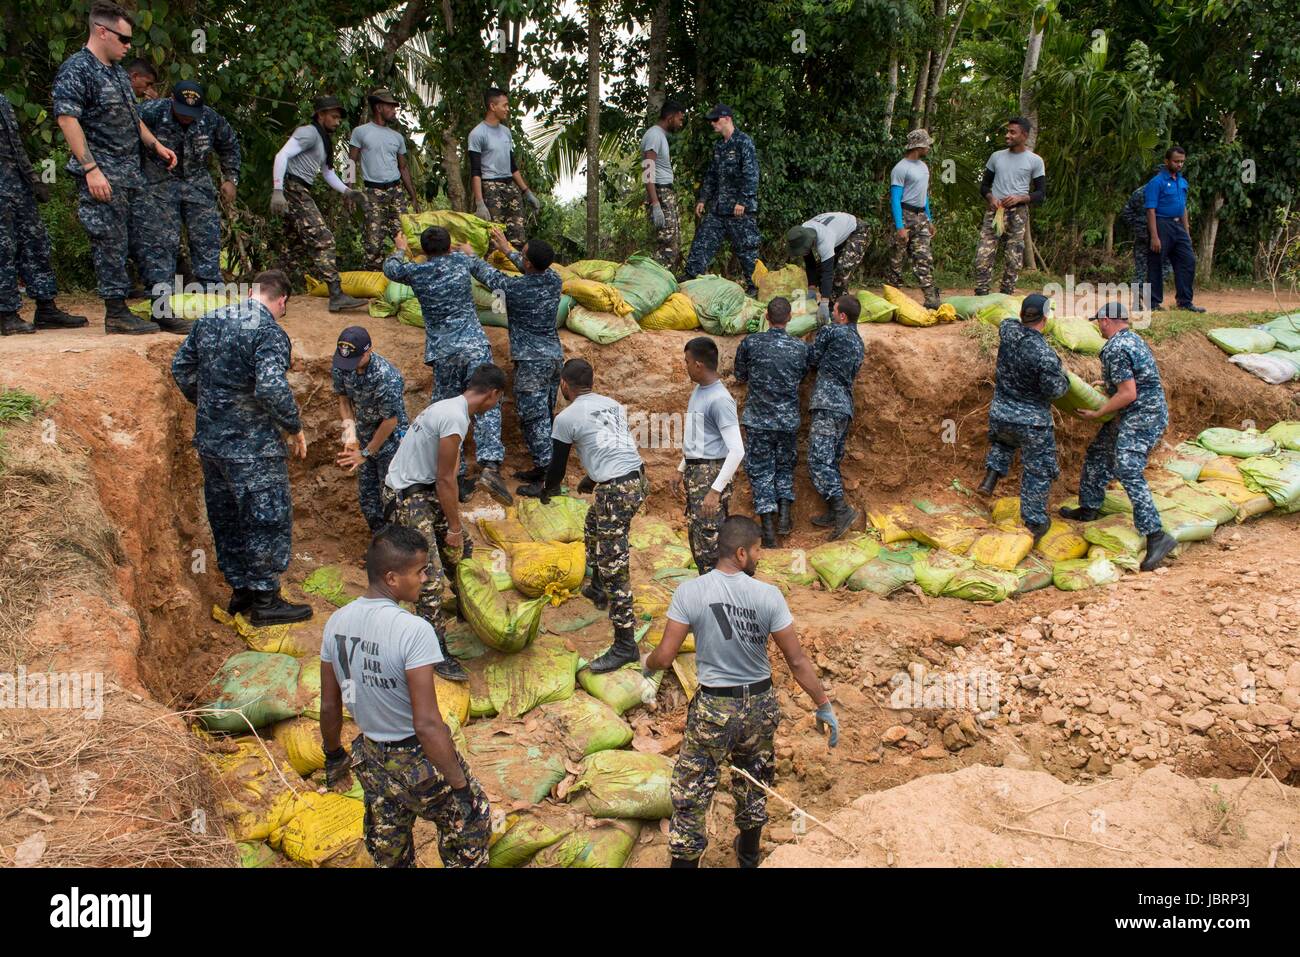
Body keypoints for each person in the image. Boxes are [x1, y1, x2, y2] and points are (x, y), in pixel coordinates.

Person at [643, 515, 839, 868]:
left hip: (714, 709)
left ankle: (685, 861)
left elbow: (666, 654)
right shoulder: (768, 595)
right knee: (754, 777)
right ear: (741, 553)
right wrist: (822, 703)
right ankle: (748, 856)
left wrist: (648, 664)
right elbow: (796, 662)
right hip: (760, 706)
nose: (760, 556)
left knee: (692, 790)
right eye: (758, 549)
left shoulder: (690, 591)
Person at [319, 525, 491, 868]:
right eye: (420, 571)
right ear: (392, 578)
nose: (427, 578)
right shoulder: (413, 631)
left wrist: (335, 756)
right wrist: (460, 788)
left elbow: (329, 704)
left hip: (371, 759)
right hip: (417, 761)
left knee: (390, 851)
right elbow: (427, 723)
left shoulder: (336, 622)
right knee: (471, 829)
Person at [170, 270, 313, 625]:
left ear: (251, 292)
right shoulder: (269, 332)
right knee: (266, 519)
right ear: (281, 301)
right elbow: (269, 387)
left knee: (227, 517)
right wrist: (293, 427)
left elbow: (181, 368)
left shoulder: (209, 320)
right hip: (254, 450)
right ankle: (265, 601)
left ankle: (241, 592)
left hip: (211, 445)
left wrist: (208, 406)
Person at [53, 1, 181, 335]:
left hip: (132, 175)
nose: (128, 46)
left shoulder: (116, 74)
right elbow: (67, 119)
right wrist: (90, 169)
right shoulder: (77, 69)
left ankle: (161, 309)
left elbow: (132, 118)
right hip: (104, 175)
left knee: (151, 240)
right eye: (123, 39)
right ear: (101, 31)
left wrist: (156, 145)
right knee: (110, 243)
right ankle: (116, 313)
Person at [382, 363, 508, 681]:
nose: (494, 406)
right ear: (492, 394)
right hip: (407, 497)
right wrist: (452, 527)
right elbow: (445, 479)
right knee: (430, 577)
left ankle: (468, 608)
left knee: (462, 549)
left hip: (422, 491)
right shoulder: (454, 417)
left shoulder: (449, 408)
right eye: (497, 401)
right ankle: (433, 650)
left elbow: (446, 477)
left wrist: (456, 532)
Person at [382, 226, 512, 506]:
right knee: (489, 402)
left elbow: (391, 269)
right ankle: (490, 467)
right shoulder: (462, 262)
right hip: (473, 345)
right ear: (450, 245)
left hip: (443, 352)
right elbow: (493, 278)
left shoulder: (415, 271)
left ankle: (459, 475)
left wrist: (400, 248)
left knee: (448, 410)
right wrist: (471, 255)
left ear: (424, 250)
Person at [538, 358, 648, 673]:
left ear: (564, 385)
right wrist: (592, 478)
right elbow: (611, 446)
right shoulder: (611, 404)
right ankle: (597, 586)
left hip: (616, 491)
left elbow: (557, 467)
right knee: (593, 524)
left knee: (615, 564)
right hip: (637, 479)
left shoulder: (566, 417)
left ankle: (626, 644)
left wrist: (547, 489)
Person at [1061, 302, 1178, 571]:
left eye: (1098, 322)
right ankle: (1089, 506)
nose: (1097, 326)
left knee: (1128, 469)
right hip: (1138, 411)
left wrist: (1099, 411)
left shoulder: (1114, 348)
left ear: (1106, 320)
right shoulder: (1132, 339)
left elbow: (1129, 393)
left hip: (1141, 416)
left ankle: (1156, 535)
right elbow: (1133, 379)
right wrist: (1108, 384)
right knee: (1099, 453)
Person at [465, 227, 564, 491]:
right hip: (553, 358)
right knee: (545, 416)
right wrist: (506, 249)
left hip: (532, 362)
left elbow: (489, 276)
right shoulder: (554, 280)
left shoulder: (516, 288)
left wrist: (470, 256)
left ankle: (547, 480)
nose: (520, 256)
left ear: (529, 263)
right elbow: (526, 268)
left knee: (534, 419)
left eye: (523, 255)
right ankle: (544, 467)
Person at [135, 80, 241, 300]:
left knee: (207, 236)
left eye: (192, 112)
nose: (187, 117)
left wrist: (230, 178)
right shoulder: (151, 112)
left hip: (196, 182)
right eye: (183, 111)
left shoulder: (210, 118)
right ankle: (160, 296)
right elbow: (126, 130)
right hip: (159, 183)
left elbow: (229, 145)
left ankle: (211, 292)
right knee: (160, 240)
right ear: (172, 100)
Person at [976, 294, 1069, 542]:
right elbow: (1056, 391)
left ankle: (991, 477)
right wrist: (1065, 378)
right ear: (1046, 319)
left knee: (1004, 442)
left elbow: (1006, 320)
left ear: (1022, 315)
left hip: (1000, 415)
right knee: (1038, 470)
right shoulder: (1044, 354)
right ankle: (1035, 521)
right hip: (1032, 423)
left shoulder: (1008, 331)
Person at [269, 95, 369, 311]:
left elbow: (327, 173)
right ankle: (336, 295)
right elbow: (281, 155)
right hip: (293, 188)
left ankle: (269, 292)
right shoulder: (309, 132)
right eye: (333, 117)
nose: (337, 121)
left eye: (338, 118)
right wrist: (278, 190)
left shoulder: (322, 139)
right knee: (324, 239)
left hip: (297, 188)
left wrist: (349, 192)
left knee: (291, 247)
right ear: (320, 115)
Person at [0, 92, 87, 336]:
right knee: (3, 250)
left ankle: (46, 307)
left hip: (17, 186)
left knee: (36, 244)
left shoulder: (3, 101)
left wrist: (33, 179)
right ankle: (6, 314)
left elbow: (15, 147)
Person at [733, 297, 808, 546]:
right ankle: (785, 517)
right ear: (789, 319)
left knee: (761, 471)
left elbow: (740, 375)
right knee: (785, 466)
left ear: (767, 317)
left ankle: (768, 532)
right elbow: (802, 376)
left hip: (759, 420)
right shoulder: (800, 348)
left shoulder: (751, 342)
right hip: (787, 421)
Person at [672, 337, 745, 574]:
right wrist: (681, 468)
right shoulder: (699, 391)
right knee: (700, 539)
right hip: (698, 472)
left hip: (710, 475)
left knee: (711, 542)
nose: (685, 366)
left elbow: (737, 450)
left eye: (687, 361)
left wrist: (715, 491)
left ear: (698, 365)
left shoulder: (720, 400)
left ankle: (722, 595)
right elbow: (699, 437)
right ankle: (711, 591)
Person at [333, 326, 409, 534]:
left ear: (368, 351)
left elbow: (390, 421)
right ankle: (379, 538)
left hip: (391, 440)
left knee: (392, 495)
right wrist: (350, 435)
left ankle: (397, 542)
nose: (348, 366)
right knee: (368, 495)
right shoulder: (343, 362)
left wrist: (366, 453)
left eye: (355, 360)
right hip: (365, 435)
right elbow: (344, 400)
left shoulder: (386, 377)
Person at [681, 104, 760, 296]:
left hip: (738, 209)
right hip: (718, 208)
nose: (712, 124)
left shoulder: (743, 142)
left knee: (747, 250)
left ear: (727, 119)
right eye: (711, 120)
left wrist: (743, 200)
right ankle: (689, 279)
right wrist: (703, 199)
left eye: (715, 120)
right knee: (703, 241)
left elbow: (751, 174)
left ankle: (755, 287)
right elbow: (712, 175)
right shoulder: (719, 146)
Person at [807, 294, 864, 540]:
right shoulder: (859, 342)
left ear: (842, 316)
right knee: (831, 461)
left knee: (819, 461)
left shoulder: (833, 332)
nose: (831, 314)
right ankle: (833, 511)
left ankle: (841, 510)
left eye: (834, 311)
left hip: (827, 404)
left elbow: (812, 359)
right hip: (844, 408)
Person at [973, 117, 1046, 296]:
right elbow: (984, 186)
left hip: (1018, 213)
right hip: (995, 211)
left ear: (1024, 135)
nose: (1007, 135)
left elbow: (1041, 193)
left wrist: (1020, 198)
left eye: (1012, 132)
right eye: (1007, 131)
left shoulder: (1035, 161)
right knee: (983, 255)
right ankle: (981, 294)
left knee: (1013, 258)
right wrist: (990, 198)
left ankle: (1006, 295)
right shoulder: (996, 157)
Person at [349, 89, 420, 270]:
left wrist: (413, 196)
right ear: (379, 107)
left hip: (395, 192)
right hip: (372, 193)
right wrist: (348, 192)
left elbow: (403, 167)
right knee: (373, 241)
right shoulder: (360, 132)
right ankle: (374, 281)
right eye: (391, 107)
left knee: (403, 236)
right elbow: (350, 162)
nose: (394, 111)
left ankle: (403, 276)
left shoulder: (397, 137)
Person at [468, 88, 541, 246]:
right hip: (491, 188)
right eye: (505, 105)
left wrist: (527, 192)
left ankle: (515, 268)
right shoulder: (477, 133)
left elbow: (512, 166)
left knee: (517, 237)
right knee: (494, 238)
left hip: (510, 187)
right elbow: (475, 171)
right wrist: (480, 203)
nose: (508, 109)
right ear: (493, 106)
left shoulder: (506, 132)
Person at [886, 128, 941, 309]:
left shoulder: (923, 167)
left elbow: (923, 195)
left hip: (921, 217)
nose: (929, 148)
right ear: (919, 145)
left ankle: (931, 298)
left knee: (923, 257)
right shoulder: (901, 168)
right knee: (897, 259)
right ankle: (892, 300)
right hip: (905, 215)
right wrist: (900, 227)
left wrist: (929, 218)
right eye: (927, 144)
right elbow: (895, 199)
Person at [1144, 147, 1204, 313]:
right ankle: (1153, 303)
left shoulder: (1182, 181)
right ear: (1167, 161)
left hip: (1179, 226)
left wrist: (1187, 231)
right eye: (1176, 161)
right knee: (1156, 263)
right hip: (1161, 224)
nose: (1179, 164)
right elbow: (1150, 210)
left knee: (1188, 260)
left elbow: (1183, 207)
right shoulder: (1156, 182)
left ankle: (1185, 302)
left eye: (1182, 161)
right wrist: (1154, 236)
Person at [785, 212, 870, 317]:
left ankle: (841, 310)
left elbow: (828, 272)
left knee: (841, 271)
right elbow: (810, 264)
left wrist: (824, 302)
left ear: (810, 242)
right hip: (838, 233)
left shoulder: (825, 239)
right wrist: (811, 289)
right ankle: (831, 304)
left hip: (857, 230)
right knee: (820, 272)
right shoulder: (802, 233)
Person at [641, 101, 685, 270]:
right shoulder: (654, 135)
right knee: (666, 247)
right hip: (660, 192)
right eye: (679, 119)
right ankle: (654, 285)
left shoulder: (660, 136)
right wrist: (656, 203)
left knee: (673, 244)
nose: (680, 124)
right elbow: (647, 169)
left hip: (665, 193)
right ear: (670, 117)